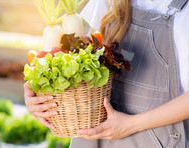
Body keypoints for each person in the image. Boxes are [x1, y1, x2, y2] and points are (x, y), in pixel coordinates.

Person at [24, 0, 189, 147]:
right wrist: (41, 91)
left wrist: (131, 124)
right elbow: (88, 55)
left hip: (158, 139)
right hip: (98, 138)